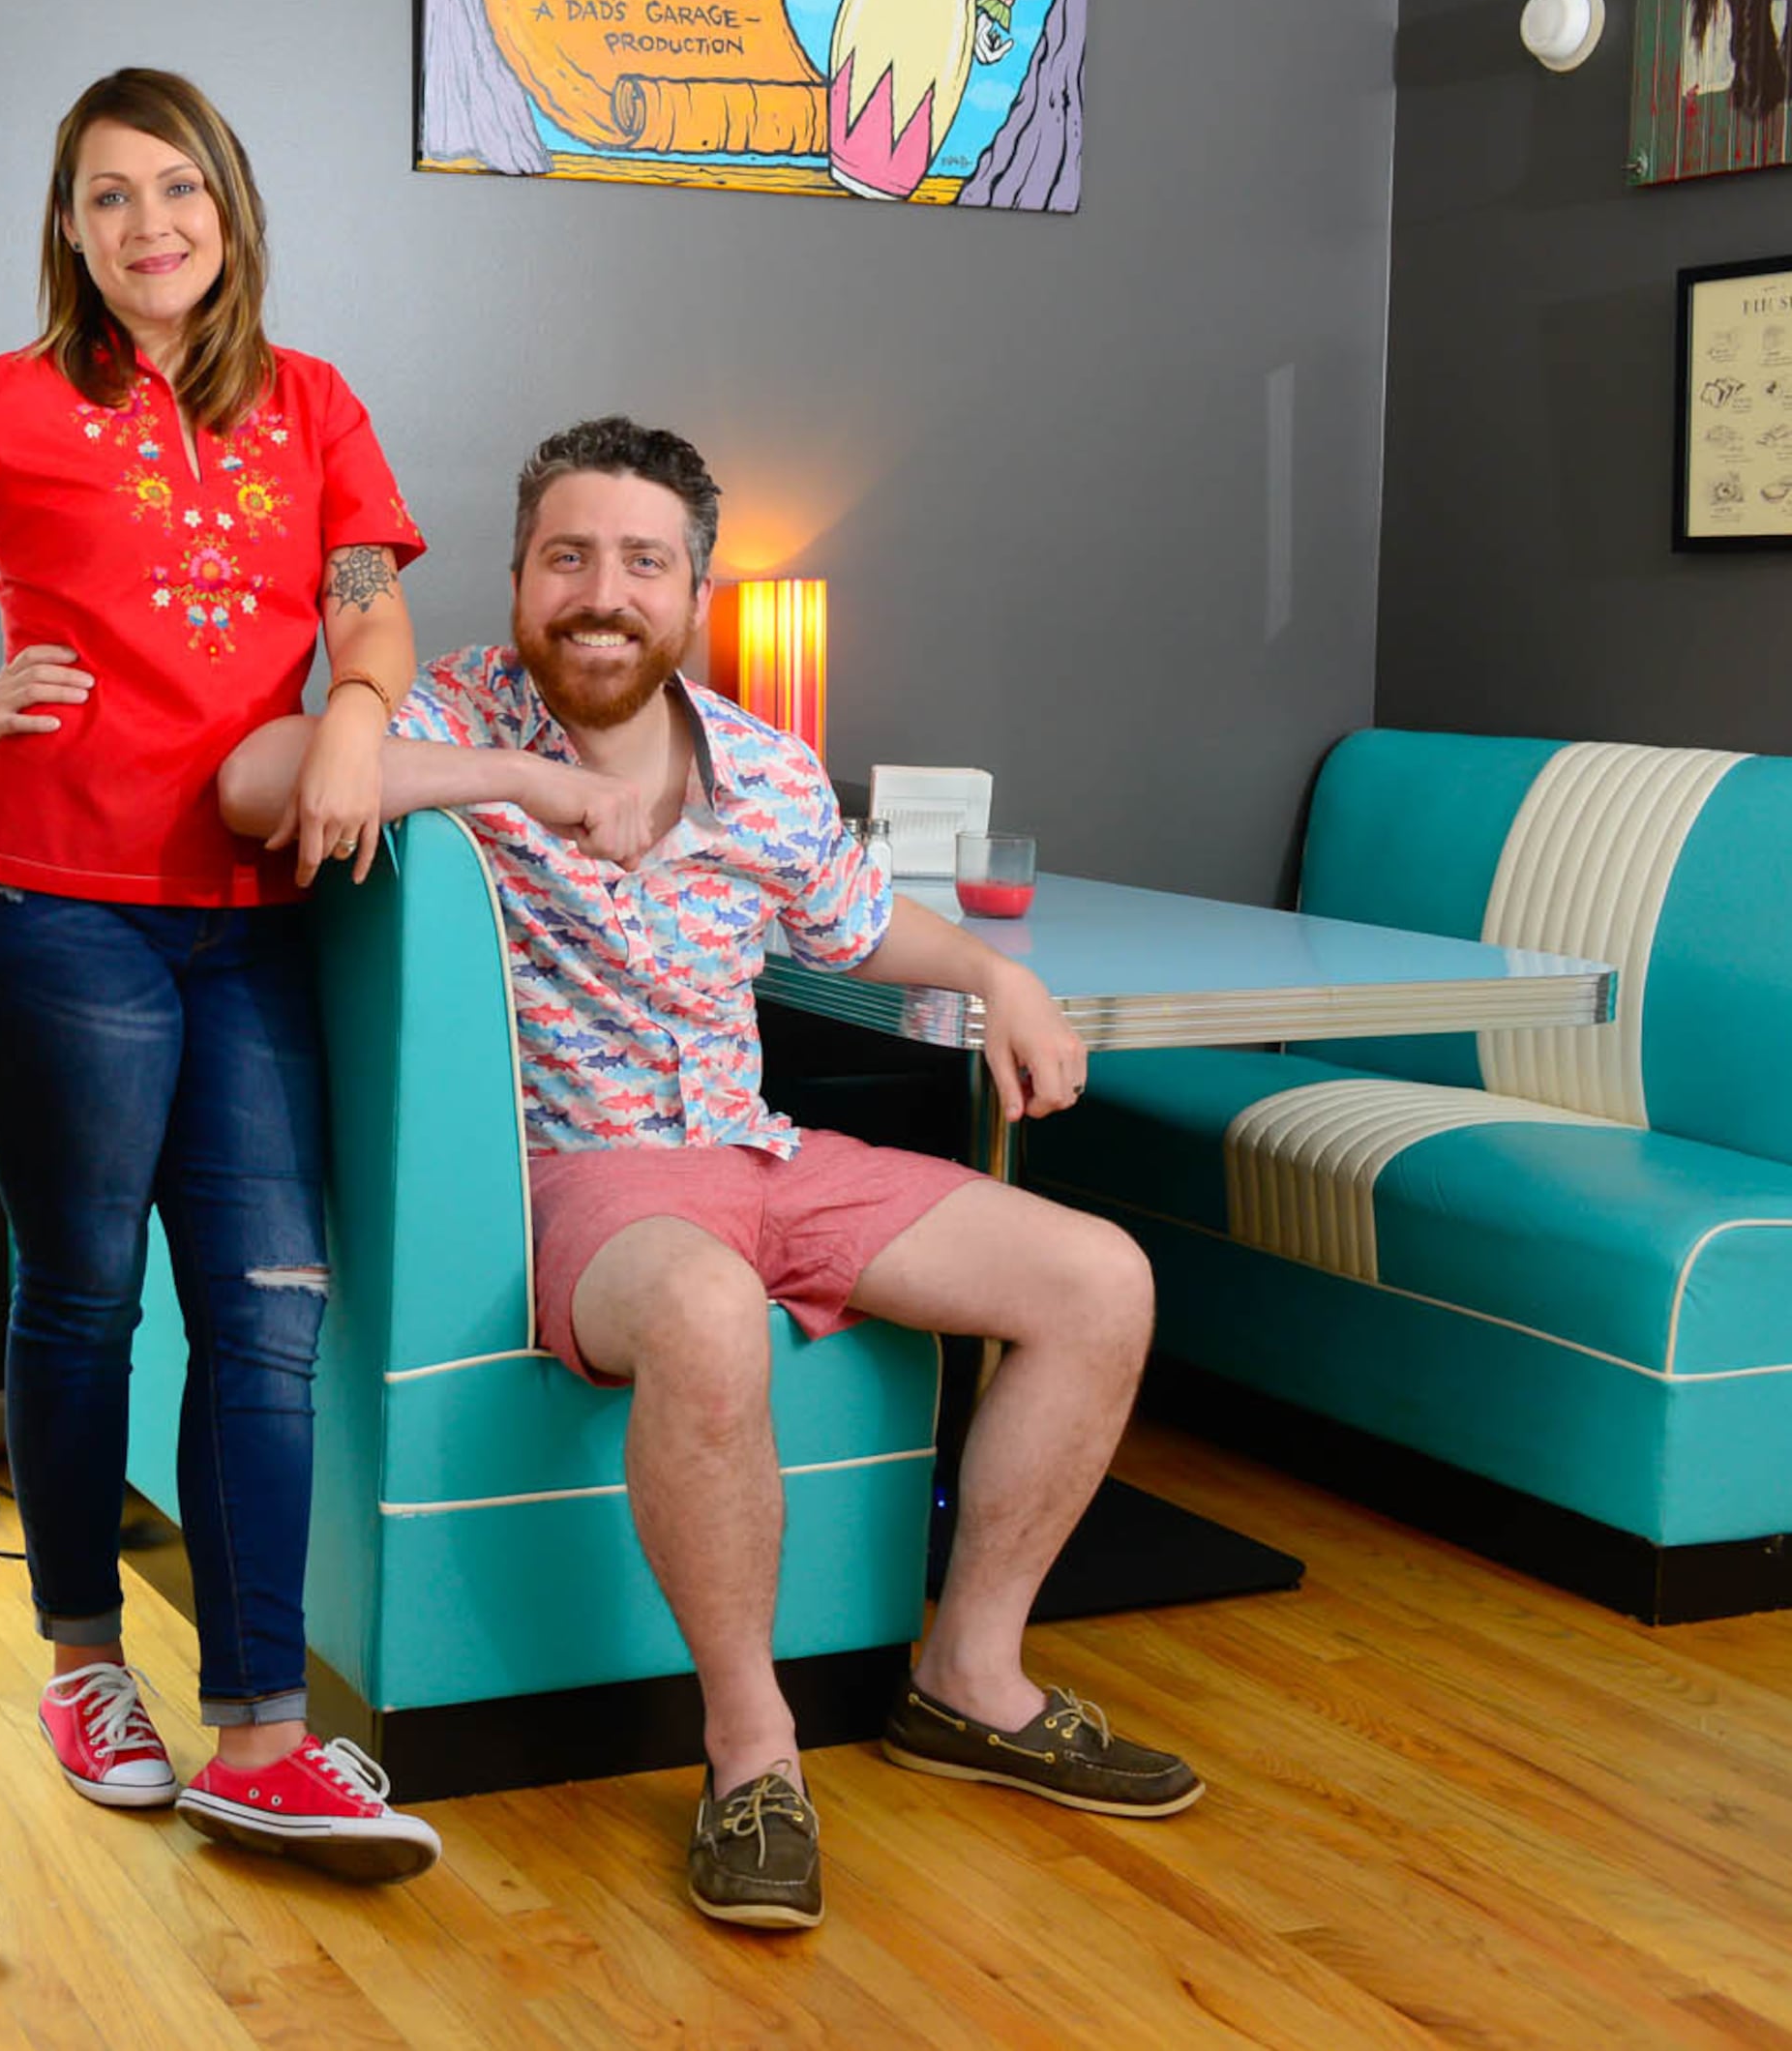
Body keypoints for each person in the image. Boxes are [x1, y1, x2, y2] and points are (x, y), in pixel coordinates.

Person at [216, 415, 1199, 1929]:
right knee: (706, 1307)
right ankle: (752, 1754)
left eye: (641, 563)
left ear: (693, 593)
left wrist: (1000, 979)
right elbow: (262, 778)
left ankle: (968, 1676)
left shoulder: (764, 764)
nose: (601, 592)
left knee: (1098, 1276)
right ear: (520, 574)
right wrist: (517, 786)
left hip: (762, 1150)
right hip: (582, 1180)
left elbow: (864, 929)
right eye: (569, 557)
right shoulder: (447, 709)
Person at [0, 67, 441, 1881]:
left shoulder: (314, 407)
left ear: (232, 207)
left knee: (268, 1308)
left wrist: (356, 718)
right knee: (85, 1298)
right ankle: (81, 1660)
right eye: (109, 196)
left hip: (250, 922)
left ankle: (267, 1734)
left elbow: (367, 600)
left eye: (179, 187)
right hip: (55, 911)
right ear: (69, 226)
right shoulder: (11, 403)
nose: (150, 225)